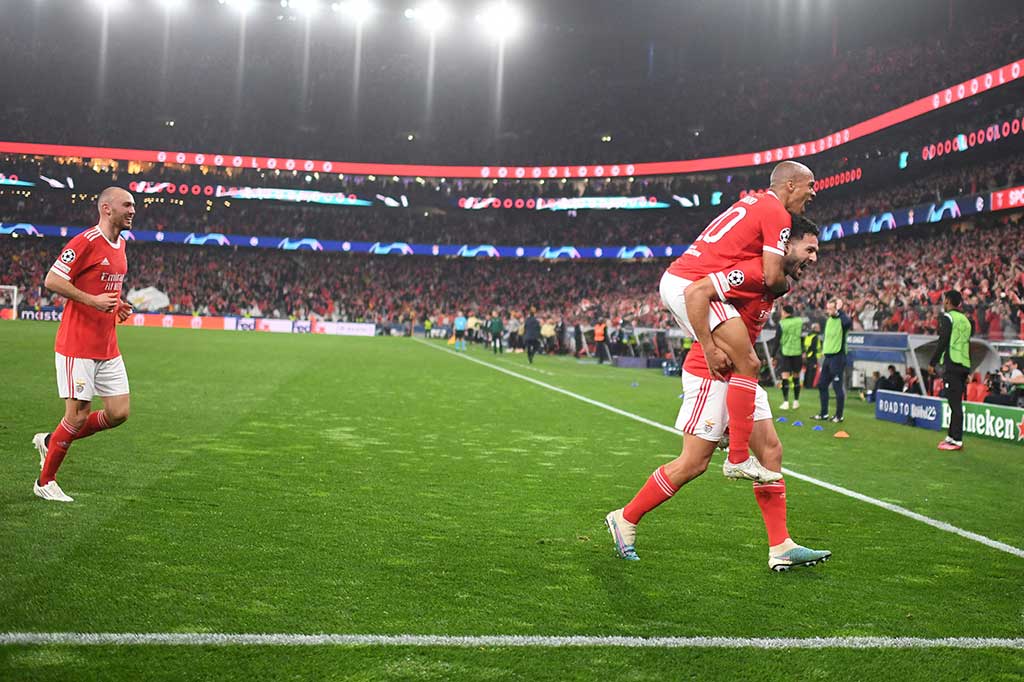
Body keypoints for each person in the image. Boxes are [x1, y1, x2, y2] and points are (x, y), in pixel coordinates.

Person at [606, 222, 830, 570]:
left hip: (741, 375)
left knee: (771, 450)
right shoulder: (752, 271)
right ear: (785, 244)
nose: (815, 258)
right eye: (809, 250)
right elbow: (696, 293)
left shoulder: (778, 283)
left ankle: (780, 545)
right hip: (712, 373)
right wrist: (709, 348)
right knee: (693, 463)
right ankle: (625, 518)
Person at [663, 161, 816, 483]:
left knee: (741, 362)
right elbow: (773, 275)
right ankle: (736, 456)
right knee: (748, 361)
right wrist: (781, 285)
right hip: (692, 286)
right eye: (809, 185)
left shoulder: (751, 202)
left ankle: (728, 430)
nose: (813, 192)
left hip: (684, 280)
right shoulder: (777, 213)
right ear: (790, 185)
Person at [31, 187, 136, 502]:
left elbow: (104, 285)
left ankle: (53, 440)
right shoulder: (86, 242)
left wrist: (117, 305)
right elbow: (52, 279)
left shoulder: (121, 244)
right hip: (77, 345)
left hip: (107, 345)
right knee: (77, 415)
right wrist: (92, 300)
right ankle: (45, 481)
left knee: (119, 412)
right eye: (127, 205)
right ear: (106, 208)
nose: (133, 211)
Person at [929, 290, 974, 451]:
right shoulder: (967, 321)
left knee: (954, 404)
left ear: (947, 301)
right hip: (963, 364)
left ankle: (957, 439)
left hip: (952, 364)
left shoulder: (948, 317)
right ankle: (951, 435)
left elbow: (943, 341)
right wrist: (968, 370)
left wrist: (933, 362)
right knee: (955, 402)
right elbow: (967, 345)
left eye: (944, 300)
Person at [813, 299, 852, 423]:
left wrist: (840, 311)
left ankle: (839, 416)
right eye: (827, 308)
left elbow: (848, 322)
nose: (828, 311)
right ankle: (824, 413)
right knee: (822, 385)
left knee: (837, 387)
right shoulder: (829, 320)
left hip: (838, 357)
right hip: (828, 357)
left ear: (837, 309)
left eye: (831, 308)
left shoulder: (842, 320)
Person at [777, 304, 804, 409]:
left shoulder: (782, 323)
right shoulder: (799, 321)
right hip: (797, 352)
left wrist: (773, 354)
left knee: (785, 376)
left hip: (786, 352)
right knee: (796, 376)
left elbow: (777, 339)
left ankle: (786, 402)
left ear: (784, 312)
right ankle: (796, 402)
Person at [802, 322, 820, 389]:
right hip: (813, 356)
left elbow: (805, 346)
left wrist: (805, 353)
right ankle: (809, 386)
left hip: (808, 355)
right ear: (814, 328)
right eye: (818, 327)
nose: (819, 329)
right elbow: (813, 348)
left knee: (807, 371)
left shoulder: (808, 336)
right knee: (811, 371)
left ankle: (805, 384)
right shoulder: (815, 336)